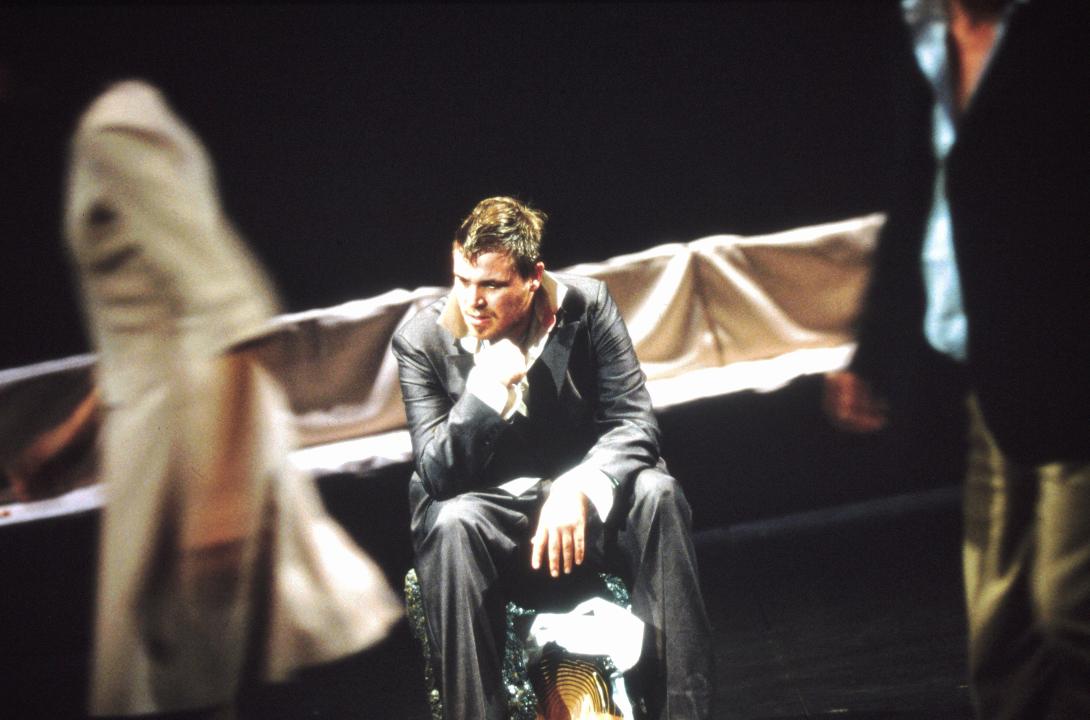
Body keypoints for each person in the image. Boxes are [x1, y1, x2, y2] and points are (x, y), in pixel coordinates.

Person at [62, 79, 401, 718]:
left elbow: (231, 308)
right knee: (184, 683)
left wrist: (219, 505)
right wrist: (66, 439)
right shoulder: (119, 124)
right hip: (173, 432)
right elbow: (146, 318)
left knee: (180, 685)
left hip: (188, 445)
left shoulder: (113, 130)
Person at [824, 2, 1090, 718]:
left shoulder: (1062, 33)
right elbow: (915, 197)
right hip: (986, 369)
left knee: (1069, 606)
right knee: (1001, 629)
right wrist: (873, 352)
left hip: (1071, 366)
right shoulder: (923, 37)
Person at [391, 196, 713, 719]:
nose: (472, 301)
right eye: (462, 281)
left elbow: (634, 422)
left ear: (532, 278)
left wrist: (580, 487)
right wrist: (485, 394)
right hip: (490, 516)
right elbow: (438, 475)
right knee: (450, 523)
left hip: (579, 511)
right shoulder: (421, 341)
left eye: (492, 285)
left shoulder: (588, 307)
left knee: (658, 493)